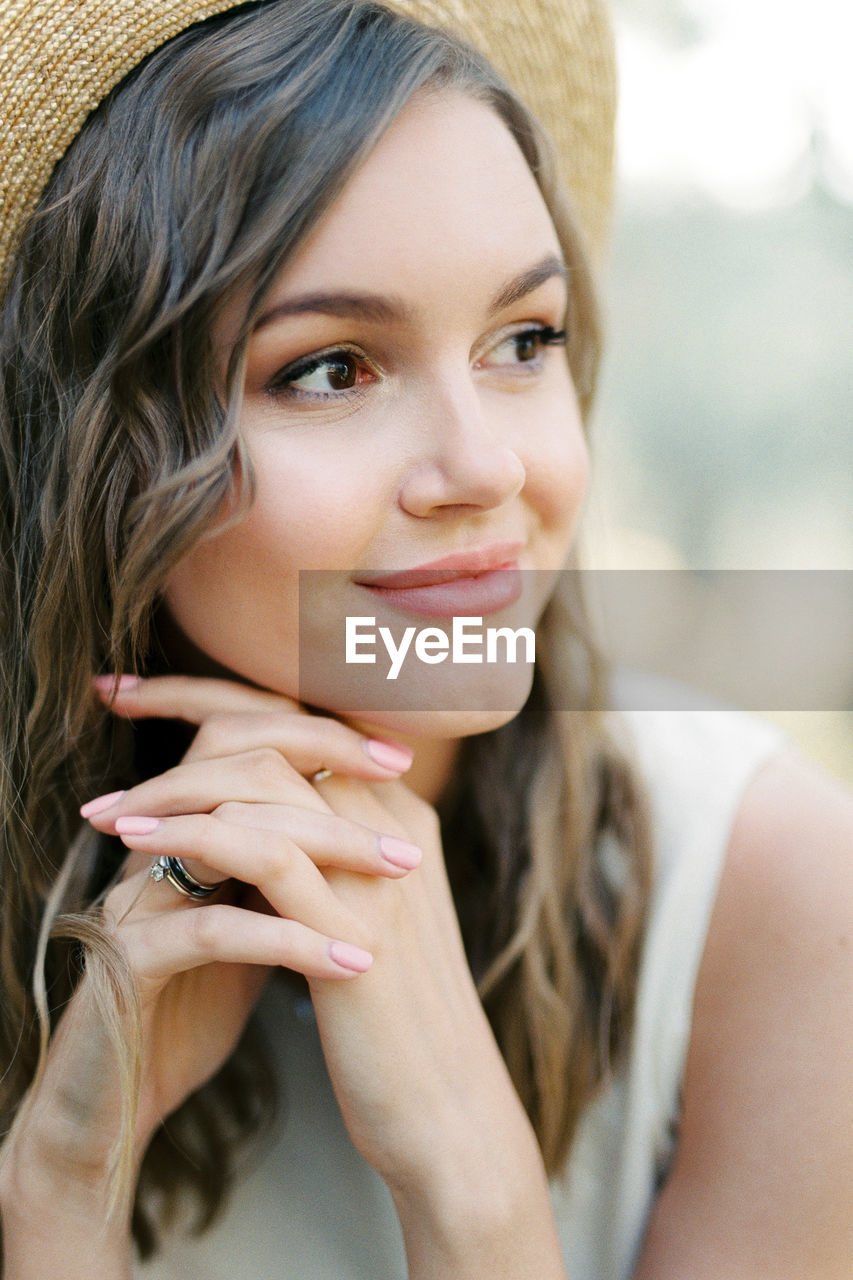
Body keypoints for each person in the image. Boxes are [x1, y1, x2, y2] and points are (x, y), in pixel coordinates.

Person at [0, 1, 851, 1277]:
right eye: (333, 367)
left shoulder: (772, 895)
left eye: (525, 340)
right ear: (96, 446)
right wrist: (66, 1185)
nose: (483, 464)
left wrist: (475, 1190)